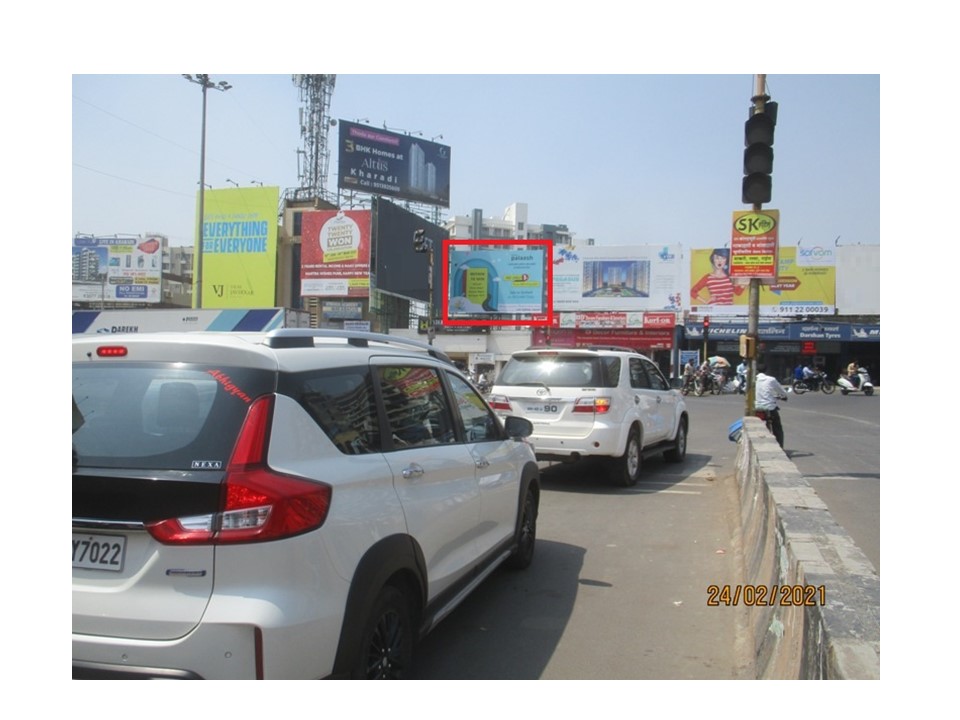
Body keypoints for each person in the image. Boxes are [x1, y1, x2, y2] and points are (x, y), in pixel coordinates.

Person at [755, 361, 788, 449]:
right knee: (777, 427)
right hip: (770, 408)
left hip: (756, 407)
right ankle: (780, 447)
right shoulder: (771, 379)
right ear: (766, 370)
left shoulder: (753, 379)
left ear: (757, 370)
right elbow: (781, 391)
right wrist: (784, 396)